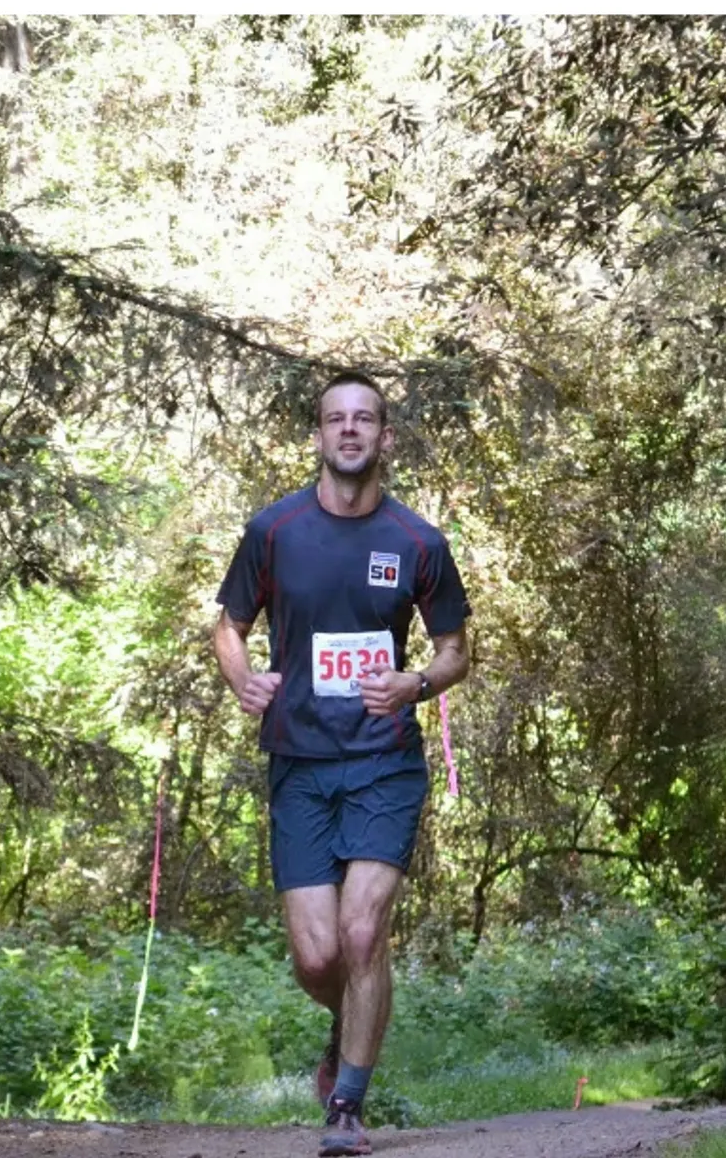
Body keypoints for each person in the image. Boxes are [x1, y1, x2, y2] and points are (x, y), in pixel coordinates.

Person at [212, 370, 472, 1157]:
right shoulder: (274, 530)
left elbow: (456, 648)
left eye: (366, 419)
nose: (351, 430)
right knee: (318, 954)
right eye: (337, 419)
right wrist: (242, 676)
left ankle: (347, 1110)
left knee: (364, 933)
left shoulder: (418, 541)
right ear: (320, 436)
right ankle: (345, 1021)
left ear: (385, 437)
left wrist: (416, 681)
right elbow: (226, 626)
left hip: (384, 762)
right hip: (298, 762)